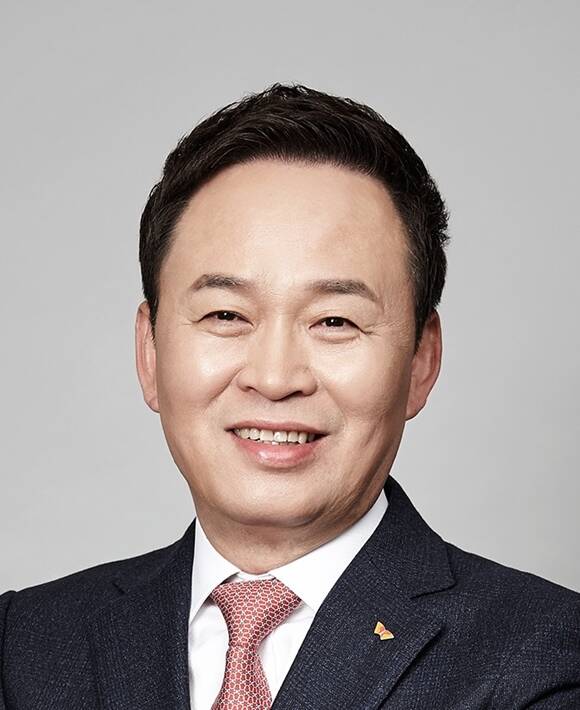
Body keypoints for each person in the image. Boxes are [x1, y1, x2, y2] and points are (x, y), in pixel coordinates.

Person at [1, 83, 579, 710]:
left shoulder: (546, 658)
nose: (275, 378)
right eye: (226, 315)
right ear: (150, 352)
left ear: (421, 361)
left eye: (335, 321)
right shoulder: (24, 648)